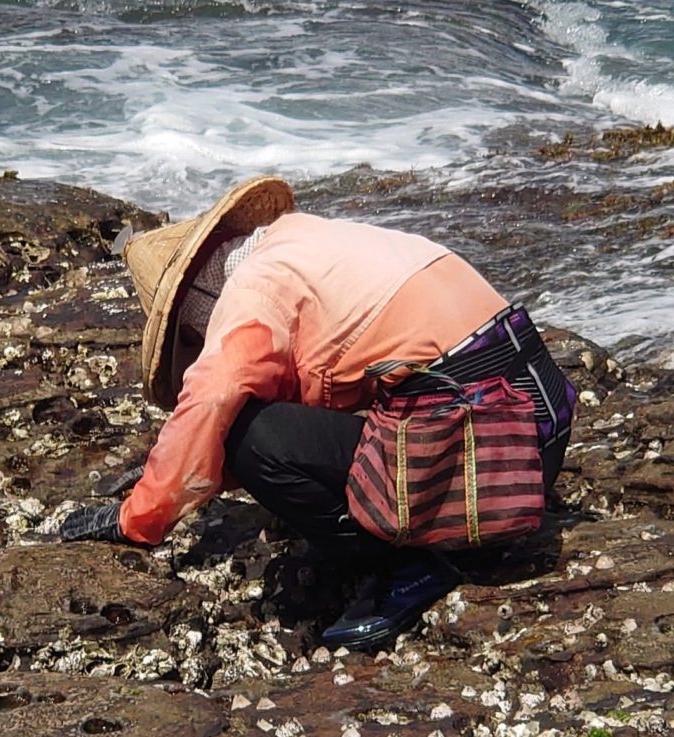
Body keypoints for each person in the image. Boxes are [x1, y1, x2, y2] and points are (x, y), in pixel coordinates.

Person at [60, 176, 576, 650]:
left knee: (250, 438)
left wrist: (137, 519)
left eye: (191, 331)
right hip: (532, 439)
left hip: (481, 461)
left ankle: (409, 567)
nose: (200, 337)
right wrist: (188, 474)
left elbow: (215, 401)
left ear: (195, 296)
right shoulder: (306, 243)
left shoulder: (253, 290)